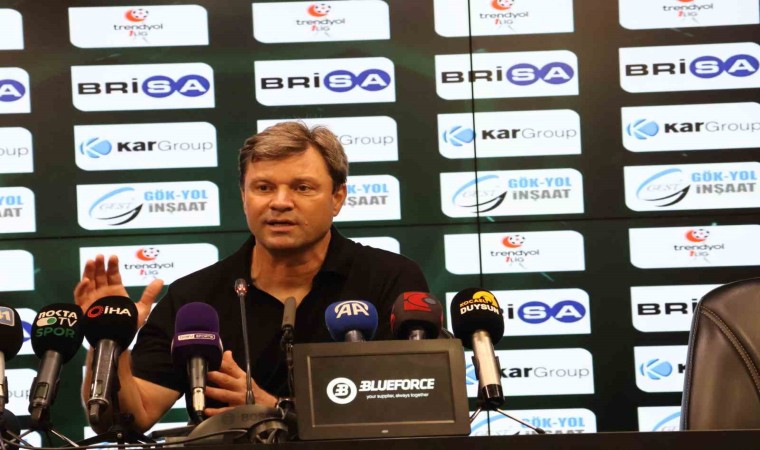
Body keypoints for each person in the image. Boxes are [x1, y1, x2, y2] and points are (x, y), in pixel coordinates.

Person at [74, 121, 429, 432]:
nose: (280, 202)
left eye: (302, 188)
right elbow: (126, 419)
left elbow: (419, 407)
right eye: (263, 188)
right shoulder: (195, 299)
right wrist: (109, 340)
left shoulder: (389, 279)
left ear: (338, 197)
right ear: (244, 197)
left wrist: (275, 411)